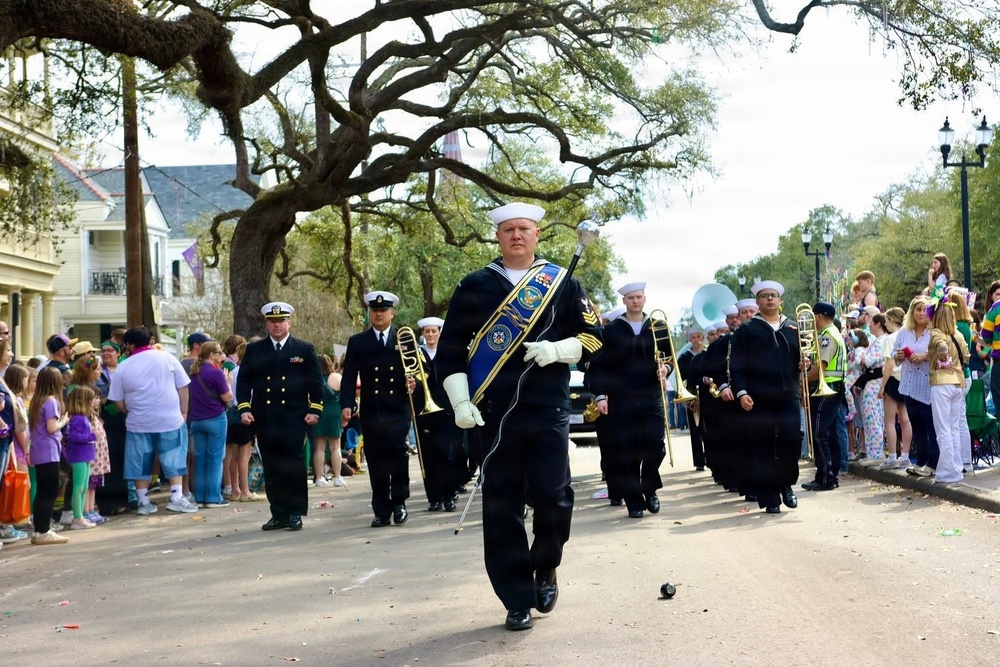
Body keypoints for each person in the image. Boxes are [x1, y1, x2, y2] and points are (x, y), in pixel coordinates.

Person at [436, 201, 603, 631]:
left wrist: (557, 350)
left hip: (547, 406)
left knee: (554, 494)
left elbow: (594, 338)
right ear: (497, 236)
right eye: (508, 229)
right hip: (491, 412)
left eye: (523, 229)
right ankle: (516, 596)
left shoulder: (562, 281)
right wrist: (459, 402)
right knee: (501, 504)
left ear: (536, 235)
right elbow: (451, 350)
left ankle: (545, 566)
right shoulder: (474, 285)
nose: (516, 235)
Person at [237, 303, 323, 531]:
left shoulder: (303, 349)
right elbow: (244, 380)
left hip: (295, 417)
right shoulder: (255, 350)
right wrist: (244, 408)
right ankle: (279, 513)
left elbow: (315, 382)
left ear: (289, 323)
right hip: (265, 417)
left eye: (281, 320)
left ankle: (295, 512)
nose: (277, 325)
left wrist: (315, 409)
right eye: (273, 321)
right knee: (273, 466)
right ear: (267, 323)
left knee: (293, 466)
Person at [589, 282, 669, 519]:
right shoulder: (612, 330)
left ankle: (650, 487)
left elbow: (669, 358)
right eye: (631, 298)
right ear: (624, 301)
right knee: (627, 451)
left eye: (639, 297)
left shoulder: (658, 326)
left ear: (645, 299)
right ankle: (634, 501)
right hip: (622, 399)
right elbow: (600, 366)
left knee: (655, 446)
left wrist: (666, 370)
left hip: (651, 396)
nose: (636, 301)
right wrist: (601, 395)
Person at [108, 326, 199, 516]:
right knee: (174, 456)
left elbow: (116, 398)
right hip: (169, 418)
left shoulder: (124, 366)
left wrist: (128, 410)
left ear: (129, 345)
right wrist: (183, 411)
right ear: (149, 341)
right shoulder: (167, 358)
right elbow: (183, 386)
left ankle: (143, 501)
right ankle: (176, 498)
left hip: (138, 421)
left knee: (139, 461)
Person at [340, 291, 413, 527]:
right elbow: (349, 376)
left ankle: (400, 502)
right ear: (370, 313)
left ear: (392, 313)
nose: (379, 314)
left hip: (398, 409)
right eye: (374, 311)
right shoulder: (358, 342)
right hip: (372, 410)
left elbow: (418, 371)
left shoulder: (404, 339)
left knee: (398, 456)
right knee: (376, 459)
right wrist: (347, 405)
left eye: (383, 311)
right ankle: (381, 510)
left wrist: (415, 384)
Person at [728, 280, 801, 513]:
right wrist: (741, 392)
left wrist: (804, 363)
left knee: (791, 441)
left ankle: (786, 483)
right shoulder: (747, 330)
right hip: (759, 397)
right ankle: (770, 497)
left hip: (788, 393)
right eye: (764, 296)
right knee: (764, 446)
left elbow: (801, 359)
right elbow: (736, 364)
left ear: (780, 301)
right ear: (758, 302)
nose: (770, 299)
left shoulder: (792, 329)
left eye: (773, 295)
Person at [409, 316, 467, 512]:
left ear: (440, 333)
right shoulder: (416, 354)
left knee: (446, 452)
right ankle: (434, 497)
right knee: (429, 456)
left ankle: (449, 495)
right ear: (423, 334)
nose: (430, 335)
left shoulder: (448, 352)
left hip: (447, 408)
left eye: (434, 331)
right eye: (427, 332)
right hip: (424, 411)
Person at [802, 302, 846, 492]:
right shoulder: (830, 333)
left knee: (820, 434)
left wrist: (801, 380)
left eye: (813, 316)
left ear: (818, 316)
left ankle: (825, 477)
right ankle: (830, 474)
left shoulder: (827, 336)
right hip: (833, 386)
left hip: (827, 387)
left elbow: (822, 366)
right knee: (830, 433)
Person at [892, 297, 937, 477]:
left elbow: (939, 351)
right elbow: (894, 354)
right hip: (908, 385)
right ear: (912, 311)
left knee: (930, 423)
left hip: (926, 385)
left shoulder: (934, 332)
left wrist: (924, 356)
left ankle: (934, 462)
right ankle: (921, 459)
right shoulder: (904, 332)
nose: (921, 313)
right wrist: (900, 355)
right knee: (916, 423)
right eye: (918, 309)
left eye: (924, 310)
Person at [928, 296, 969, 485]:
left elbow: (941, 345)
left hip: (942, 384)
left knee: (943, 429)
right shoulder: (959, 334)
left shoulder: (936, 332)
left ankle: (946, 473)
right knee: (954, 429)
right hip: (957, 385)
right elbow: (967, 356)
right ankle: (956, 469)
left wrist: (942, 358)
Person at [28, 367, 70, 544]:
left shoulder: (37, 401)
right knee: (50, 490)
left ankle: (39, 530)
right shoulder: (51, 401)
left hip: (38, 449)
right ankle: (43, 530)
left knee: (42, 491)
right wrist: (64, 420)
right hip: (49, 450)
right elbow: (52, 427)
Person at [188, 341, 233, 508]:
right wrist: (228, 382)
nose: (221, 355)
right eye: (219, 352)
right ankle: (213, 497)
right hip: (215, 418)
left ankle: (199, 497)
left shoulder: (194, 372)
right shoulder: (217, 373)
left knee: (200, 459)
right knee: (215, 459)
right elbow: (227, 397)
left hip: (197, 420)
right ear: (212, 355)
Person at [224, 338, 260, 502]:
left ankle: (235, 489)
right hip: (245, 411)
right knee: (245, 454)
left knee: (234, 455)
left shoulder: (234, 372)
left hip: (232, 412)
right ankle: (245, 490)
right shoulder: (250, 372)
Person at [64, 385, 98, 530]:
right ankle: (77, 517)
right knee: (79, 487)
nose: (92, 402)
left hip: (85, 455)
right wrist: (92, 436)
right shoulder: (78, 418)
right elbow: (74, 436)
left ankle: (80, 516)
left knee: (84, 486)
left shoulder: (83, 417)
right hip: (78, 455)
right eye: (90, 399)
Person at [310, 353, 346, 489]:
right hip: (334, 412)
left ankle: (319, 478)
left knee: (319, 447)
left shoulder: (313, 379)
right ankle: (337, 477)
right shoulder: (336, 377)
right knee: (335, 447)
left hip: (318, 412)